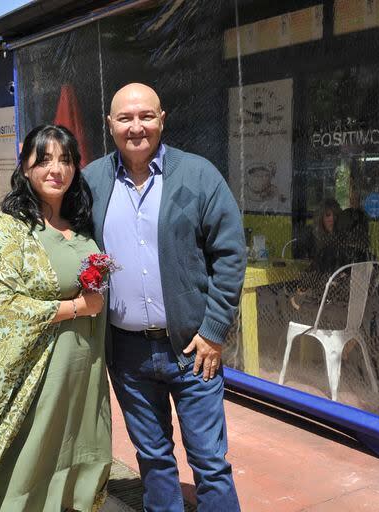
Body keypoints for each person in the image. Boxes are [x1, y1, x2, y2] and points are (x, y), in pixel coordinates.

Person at [0, 125, 112, 511]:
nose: (55, 169)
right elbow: (4, 308)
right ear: (25, 169)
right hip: (36, 377)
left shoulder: (80, 225)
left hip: (83, 371)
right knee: (28, 462)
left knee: (75, 453)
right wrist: (78, 307)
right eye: (43, 160)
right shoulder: (10, 230)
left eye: (65, 160)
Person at [83, 83, 246, 511]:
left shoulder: (198, 175)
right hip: (128, 352)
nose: (136, 127)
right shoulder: (92, 181)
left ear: (161, 119)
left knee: (209, 462)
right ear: (110, 125)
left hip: (193, 350)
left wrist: (213, 331)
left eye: (146, 116)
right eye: (125, 118)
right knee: (153, 460)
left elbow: (229, 254)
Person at [290, 198, 343, 311]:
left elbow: (321, 269)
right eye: (328, 215)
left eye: (335, 215)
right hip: (319, 285)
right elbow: (302, 257)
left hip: (325, 290)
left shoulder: (339, 240)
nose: (332, 219)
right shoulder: (312, 234)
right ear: (321, 217)